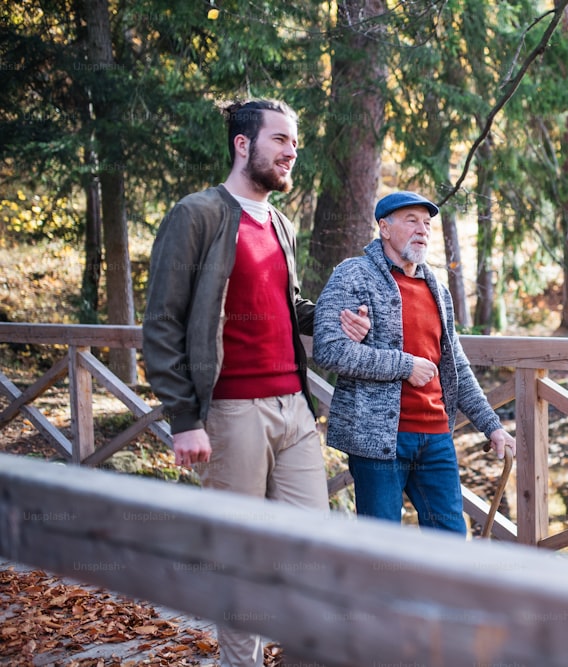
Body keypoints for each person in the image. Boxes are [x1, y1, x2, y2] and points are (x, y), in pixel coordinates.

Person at [142, 98, 368, 667]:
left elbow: (286, 305)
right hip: (231, 412)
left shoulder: (280, 222)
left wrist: (331, 319)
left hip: (295, 407)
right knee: (241, 556)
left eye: (295, 143)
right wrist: (185, 419)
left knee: (310, 550)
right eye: (281, 140)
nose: (293, 152)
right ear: (243, 144)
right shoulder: (197, 214)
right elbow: (163, 322)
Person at [312, 190, 516, 536]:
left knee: (450, 542)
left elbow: (456, 367)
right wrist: (404, 366)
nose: (423, 230)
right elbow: (329, 350)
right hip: (377, 442)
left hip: (436, 438)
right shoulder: (353, 275)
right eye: (411, 221)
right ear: (384, 228)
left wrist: (492, 425)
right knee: (382, 548)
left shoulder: (436, 286)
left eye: (427, 223)